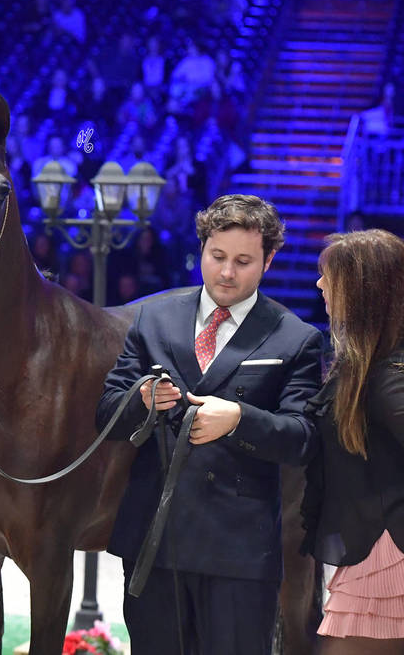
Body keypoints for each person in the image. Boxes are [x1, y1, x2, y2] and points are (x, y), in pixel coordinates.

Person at [97, 193, 323, 654]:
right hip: (154, 542)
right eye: (217, 256)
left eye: (243, 261)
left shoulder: (296, 338)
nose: (226, 273)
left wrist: (239, 419)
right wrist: (140, 401)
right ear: (201, 248)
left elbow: (303, 439)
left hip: (239, 552)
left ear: (268, 261)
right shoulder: (153, 318)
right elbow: (106, 415)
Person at [302, 229, 404, 651]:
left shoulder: (387, 376)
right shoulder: (367, 369)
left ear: (362, 291)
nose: (320, 284)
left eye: (331, 276)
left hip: (387, 552)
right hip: (375, 548)